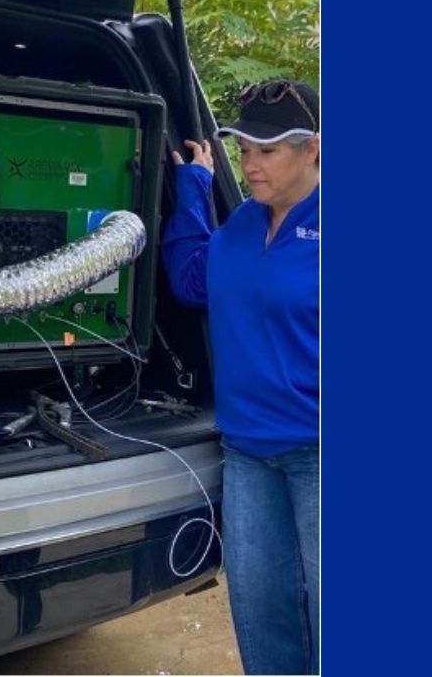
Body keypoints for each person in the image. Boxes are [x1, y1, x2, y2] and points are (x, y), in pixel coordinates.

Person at [162, 79, 320, 675]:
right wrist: (196, 187)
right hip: (248, 453)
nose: (251, 164)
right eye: (244, 148)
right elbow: (193, 279)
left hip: (320, 453)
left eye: (269, 149)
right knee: (262, 612)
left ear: (313, 150)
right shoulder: (243, 226)